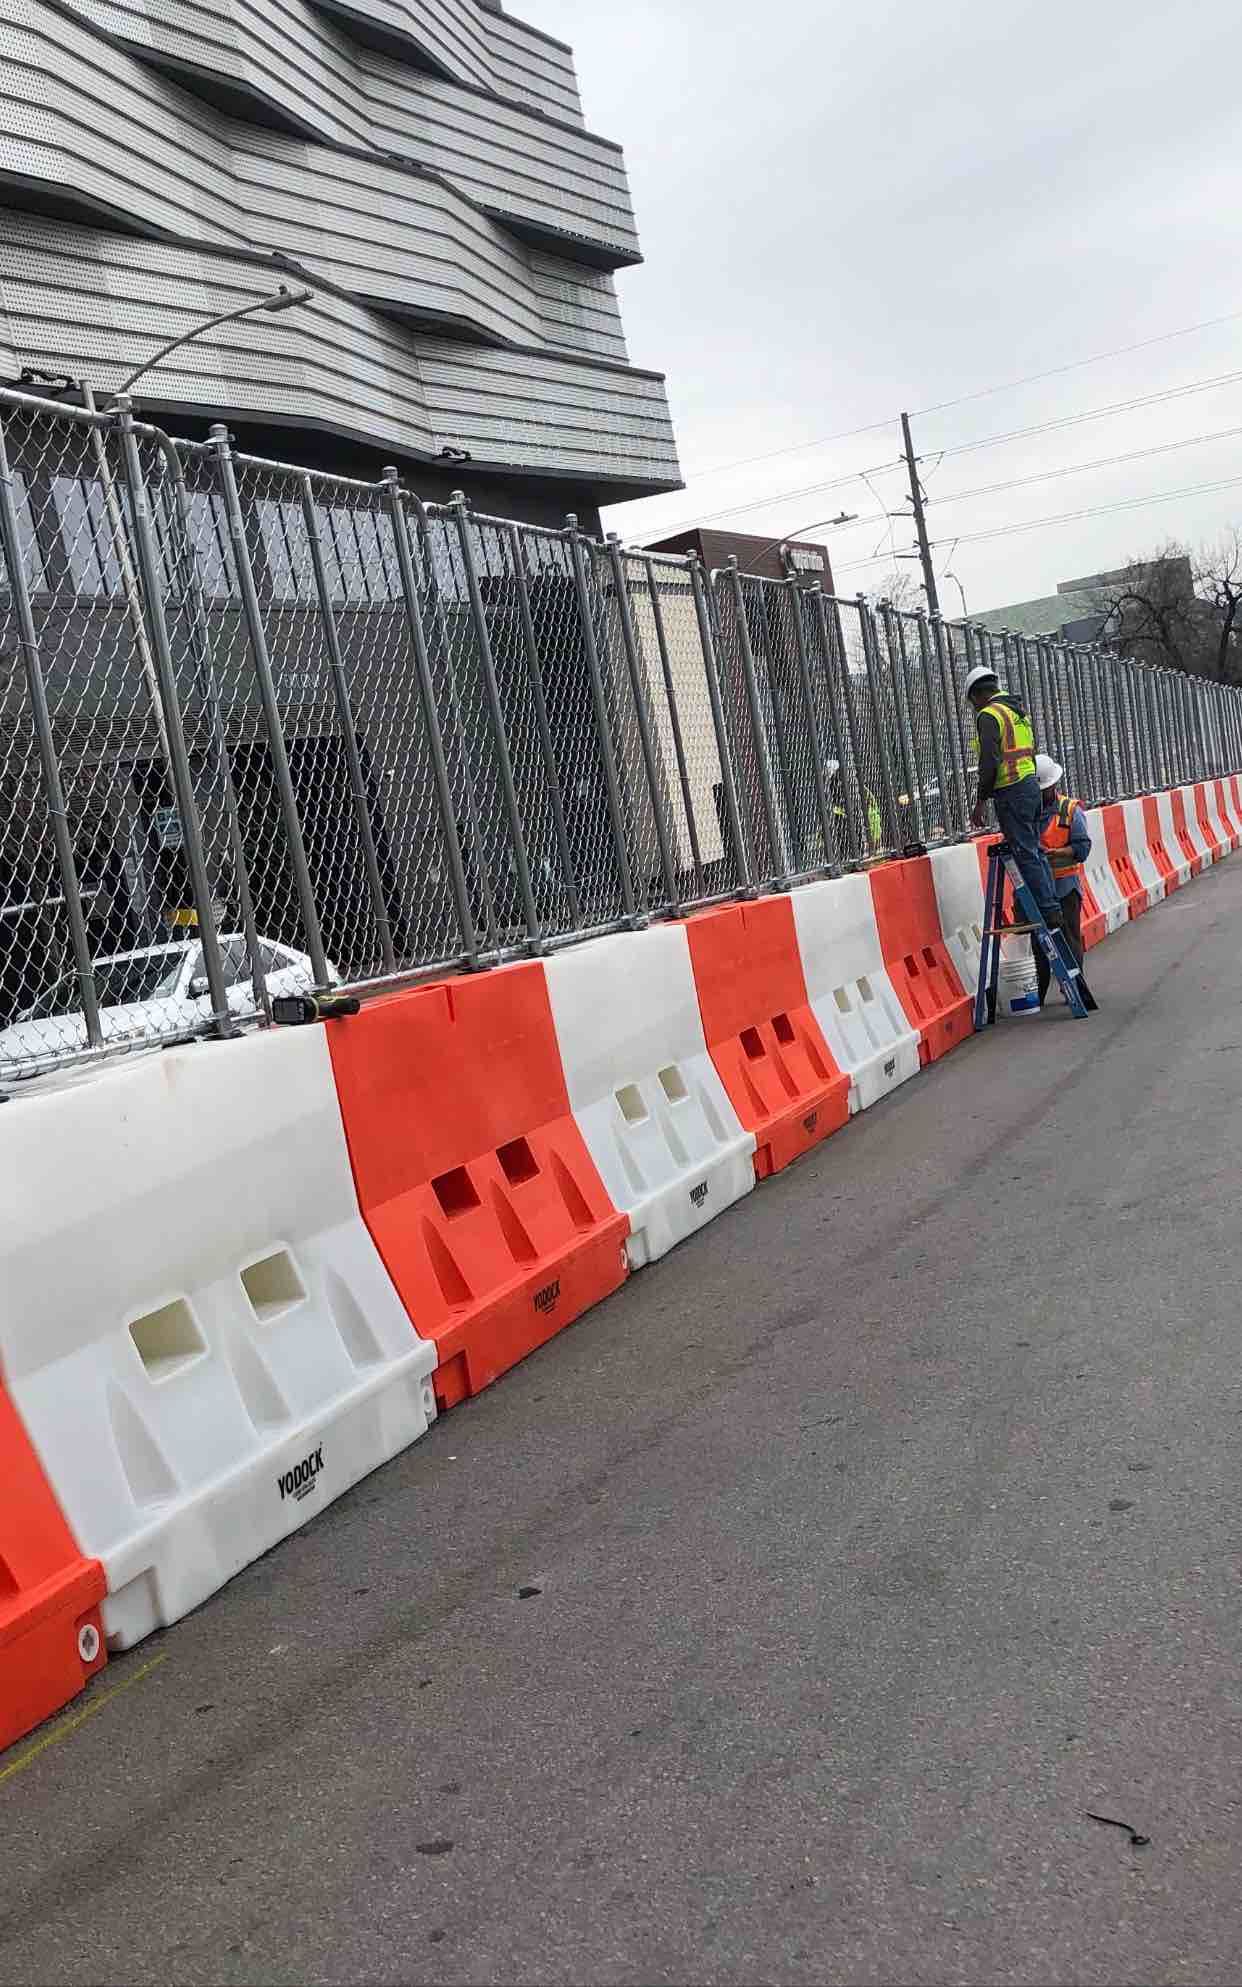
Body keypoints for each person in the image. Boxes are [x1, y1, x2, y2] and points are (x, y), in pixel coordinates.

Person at [964, 665, 1063, 928]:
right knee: (1034, 850)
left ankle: (1047, 910)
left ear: (977, 695)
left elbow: (989, 762)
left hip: (1011, 790)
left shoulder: (988, 715)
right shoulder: (1017, 712)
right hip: (1030, 786)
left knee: (1024, 852)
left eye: (972, 702)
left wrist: (980, 801)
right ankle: (1050, 902)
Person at [1034, 752, 1091, 1006]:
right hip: (1037, 888)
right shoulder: (1027, 813)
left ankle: (1076, 987)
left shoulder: (1070, 810)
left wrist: (1059, 853)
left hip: (1064, 885)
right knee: (1039, 943)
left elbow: (1082, 848)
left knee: (1069, 937)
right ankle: (1041, 993)